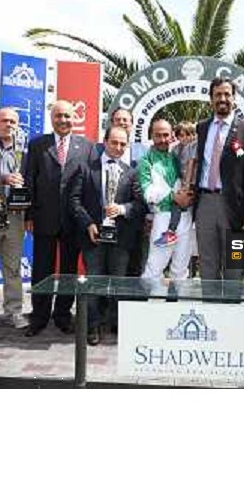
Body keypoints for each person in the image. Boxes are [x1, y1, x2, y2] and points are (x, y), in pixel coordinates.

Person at [24, 100, 93, 337]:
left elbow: (89, 185)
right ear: (52, 118)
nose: (64, 120)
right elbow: (29, 180)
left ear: (74, 118)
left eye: (68, 116)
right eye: (59, 116)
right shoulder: (37, 145)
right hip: (44, 217)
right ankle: (39, 316)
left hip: (73, 220)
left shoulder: (87, 146)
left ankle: (63, 315)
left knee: (68, 270)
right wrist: (28, 214)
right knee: (41, 269)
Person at [70, 126, 145, 345]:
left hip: (120, 238)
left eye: (123, 144)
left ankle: (115, 323)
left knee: (117, 282)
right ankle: (92, 326)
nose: (119, 147)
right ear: (105, 141)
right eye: (115, 142)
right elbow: (74, 201)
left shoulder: (131, 172)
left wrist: (122, 209)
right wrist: (88, 224)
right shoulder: (85, 168)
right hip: (93, 236)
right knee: (94, 281)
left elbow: (140, 205)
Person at [194, 77, 244, 280]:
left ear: (234, 99)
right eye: (218, 94)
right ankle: (211, 310)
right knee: (207, 263)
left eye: (227, 94)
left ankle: (231, 309)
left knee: (234, 265)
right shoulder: (202, 128)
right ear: (211, 99)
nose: (222, 98)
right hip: (205, 203)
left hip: (235, 207)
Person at [0, 107, 27, 328]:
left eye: (13, 121)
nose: (8, 124)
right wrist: (3, 178)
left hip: (16, 215)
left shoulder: (25, 149)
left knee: (13, 267)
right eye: (4, 120)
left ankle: (14, 311)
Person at [139, 119, 194, 281]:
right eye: (158, 135)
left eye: (166, 135)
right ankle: (149, 306)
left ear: (171, 136)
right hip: (163, 217)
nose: (162, 139)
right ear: (151, 136)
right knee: (154, 269)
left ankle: (179, 306)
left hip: (186, 216)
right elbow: (148, 193)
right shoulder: (146, 160)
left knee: (181, 270)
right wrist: (174, 197)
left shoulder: (177, 155)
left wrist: (190, 196)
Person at [110, 108, 150, 276]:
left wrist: (149, 215)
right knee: (111, 270)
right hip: (109, 222)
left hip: (136, 220)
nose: (122, 123)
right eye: (118, 119)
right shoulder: (99, 150)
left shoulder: (144, 151)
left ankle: (134, 301)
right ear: (112, 123)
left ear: (132, 125)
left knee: (135, 268)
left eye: (126, 120)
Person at [154, 121, 197, 249]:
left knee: (178, 202)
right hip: (181, 181)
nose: (186, 138)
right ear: (177, 136)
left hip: (192, 182)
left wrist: (186, 187)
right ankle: (173, 232)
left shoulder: (194, 146)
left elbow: (191, 165)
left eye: (189, 135)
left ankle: (171, 232)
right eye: (182, 135)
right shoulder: (176, 149)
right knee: (177, 204)